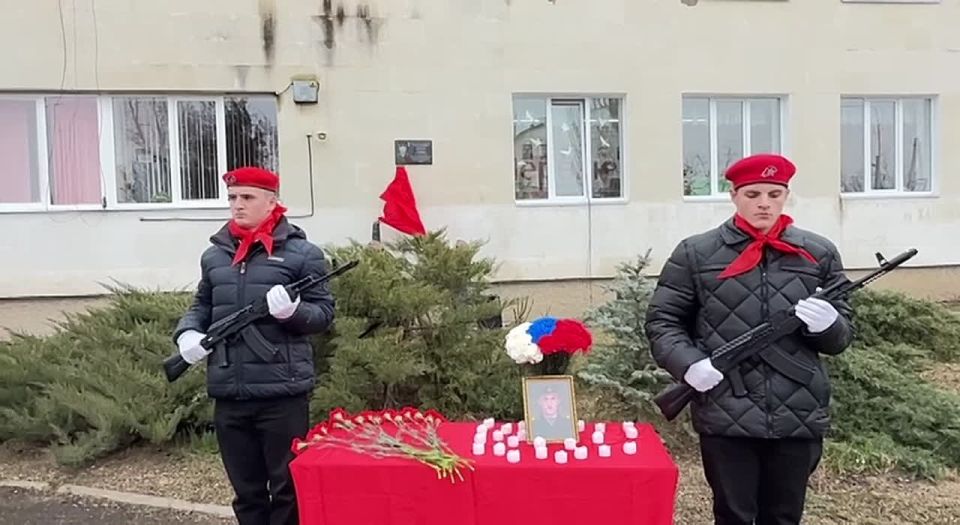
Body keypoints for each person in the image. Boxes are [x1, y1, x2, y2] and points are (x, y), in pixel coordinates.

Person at [644, 154, 853, 525]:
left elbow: (839, 339)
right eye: (753, 193)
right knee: (734, 515)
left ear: (786, 195)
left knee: (785, 516)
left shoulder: (817, 253)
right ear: (734, 196)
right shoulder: (696, 253)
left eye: (775, 193)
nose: (764, 203)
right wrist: (689, 364)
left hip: (797, 411)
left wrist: (829, 324)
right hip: (726, 409)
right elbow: (664, 320)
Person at [172, 166, 335, 525]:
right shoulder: (215, 255)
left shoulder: (302, 254)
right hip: (229, 391)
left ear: (272, 202)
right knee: (246, 493)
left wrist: (292, 312)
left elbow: (323, 314)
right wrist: (187, 334)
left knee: (287, 489)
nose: (237, 205)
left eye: (247, 197)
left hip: (282, 394)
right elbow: (202, 305)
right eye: (232, 198)